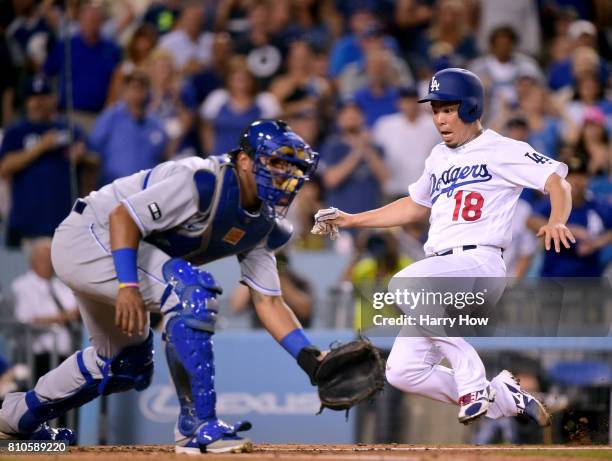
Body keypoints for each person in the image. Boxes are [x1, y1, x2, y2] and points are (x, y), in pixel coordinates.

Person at [0, 120, 328, 454]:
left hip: (120, 252)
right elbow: (122, 218)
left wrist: (311, 360)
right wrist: (128, 285)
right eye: (275, 162)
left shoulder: (264, 224)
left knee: (125, 364)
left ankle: (15, 418)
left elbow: (269, 303)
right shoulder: (203, 180)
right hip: (90, 235)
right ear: (245, 160)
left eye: (293, 167)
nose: (285, 174)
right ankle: (197, 427)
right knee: (192, 294)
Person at [313, 68, 574, 427]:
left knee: (404, 283)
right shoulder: (437, 157)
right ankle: (502, 398)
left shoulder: (502, 149)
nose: (440, 118)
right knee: (404, 371)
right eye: (435, 110)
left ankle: (471, 378)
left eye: (448, 109)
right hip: (441, 271)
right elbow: (414, 206)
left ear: (470, 108)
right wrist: (353, 219)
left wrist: (557, 219)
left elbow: (557, 183)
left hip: (480, 262)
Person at [0, 77, 93, 248]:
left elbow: (94, 163)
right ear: (27, 102)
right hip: (27, 225)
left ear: (53, 99)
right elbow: (4, 168)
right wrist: (41, 146)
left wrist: (82, 156)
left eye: (44, 96)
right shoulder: (16, 131)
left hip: (65, 223)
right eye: (34, 97)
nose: (39, 102)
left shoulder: (69, 129)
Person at [11, 239, 80, 381]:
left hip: (66, 356)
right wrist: (63, 317)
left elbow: (76, 311)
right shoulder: (22, 286)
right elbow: (26, 321)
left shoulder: (62, 286)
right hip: (38, 358)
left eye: (51, 258)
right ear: (33, 260)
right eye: (44, 258)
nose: (49, 263)